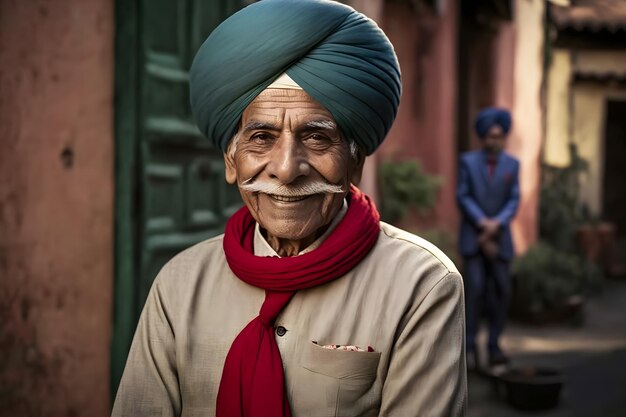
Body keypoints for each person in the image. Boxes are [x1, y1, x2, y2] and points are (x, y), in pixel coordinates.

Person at [113, 1, 466, 416]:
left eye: (317, 138)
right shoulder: (180, 285)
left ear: (356, 160)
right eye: (261, 138)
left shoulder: (419, 286)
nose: (286, 169)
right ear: (231, 161)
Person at [456, 107, 520, 370]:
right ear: (483, 137)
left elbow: (514, 198)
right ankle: (470, 349)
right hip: (474, 238)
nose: (495, 140)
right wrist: (482, 221)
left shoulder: (512, 165)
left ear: (504, 137)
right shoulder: (468, 162)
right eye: (490, 136)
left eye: (499, 136)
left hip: (500, 239)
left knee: (502, 291)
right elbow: (463, 195)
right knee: (476, 291)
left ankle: (495, 346)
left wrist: (497, 223)